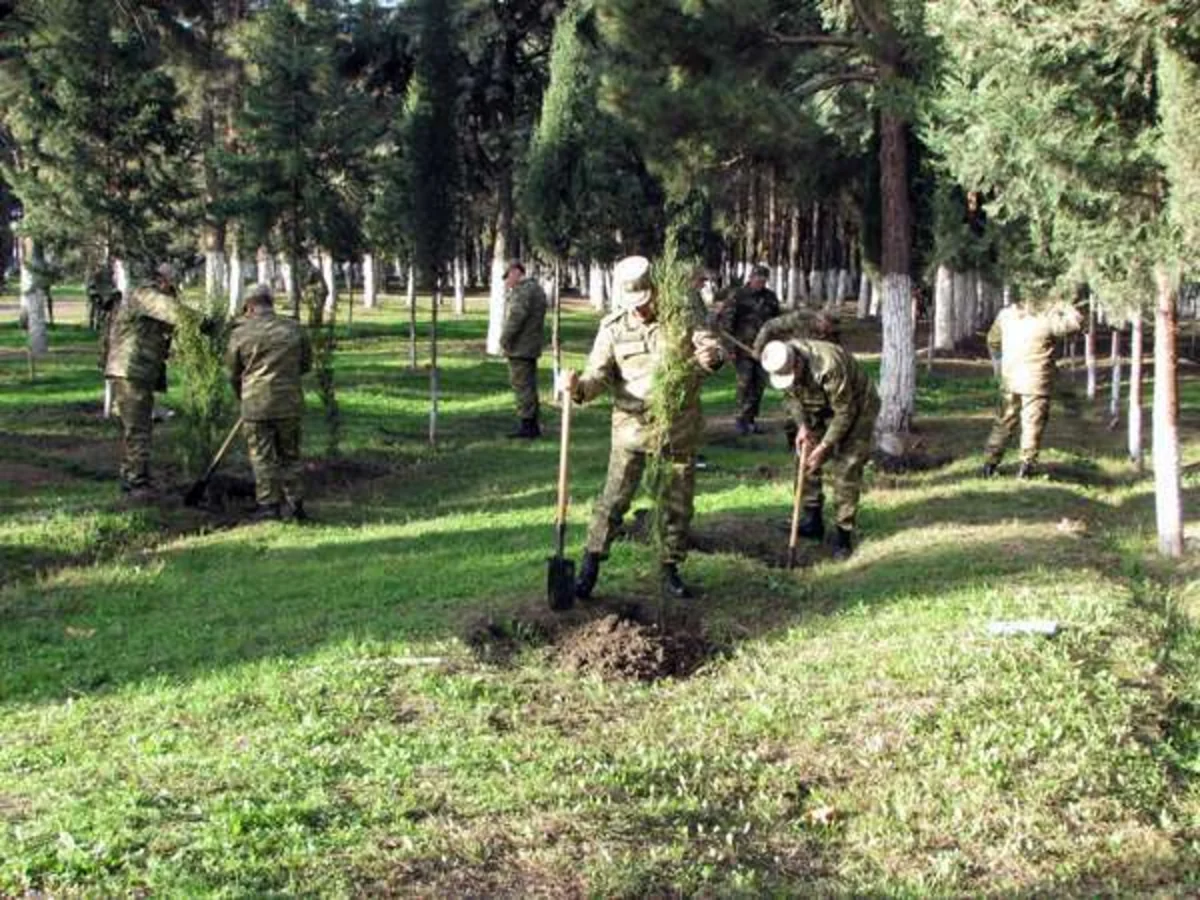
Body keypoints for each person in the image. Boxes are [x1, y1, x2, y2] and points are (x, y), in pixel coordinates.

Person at [561, 255, 724, 600]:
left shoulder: (682, 318)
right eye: (633, 302)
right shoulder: (613, 328)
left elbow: (710, 351)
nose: (640, 308)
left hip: (678, 426)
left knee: (677, 504)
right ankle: (590, 566)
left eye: (645, 300)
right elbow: (597, 376)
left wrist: (711, 359)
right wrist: (577, 388)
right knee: (613, 501)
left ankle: (670, 567)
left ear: (656, 290)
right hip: (631, 429)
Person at [760, 338, 880, 560]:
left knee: (846, 467)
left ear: (797, 363)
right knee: (805, 458)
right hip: (815, 404)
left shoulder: (828, 365)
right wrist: (803, 427)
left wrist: (825, 445)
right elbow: (791, 398)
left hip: (857, 406)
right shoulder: (780, 359)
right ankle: (812, 520)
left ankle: (843, 536)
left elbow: (845, 413)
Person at [226, 284, 314, 522]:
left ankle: (269, 506)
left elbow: (233, 373)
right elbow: (305, 365)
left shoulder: (240, 333)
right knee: (290, 455)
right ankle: (295, 505)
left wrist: (241, 396)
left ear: (249, 306)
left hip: (256, 404)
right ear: (270, 302)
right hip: (289, 402)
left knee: (262, 457)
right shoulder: (294, 329)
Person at [103, 262, 184, 498]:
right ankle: (137, 482)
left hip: (137, 371)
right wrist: (203, 322)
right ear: (162, 281)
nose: (172, 292)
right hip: (131, 371)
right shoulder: (145, 295)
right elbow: (174, 313)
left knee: (137, 427)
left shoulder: (148, 297)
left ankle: (132, 475)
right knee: (138, 428)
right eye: (171, 286)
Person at [981, 298, 1083, 478]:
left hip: (1010, 378)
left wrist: (999, 365)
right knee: (1032, 424)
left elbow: (993, 341)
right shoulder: (1048, 318)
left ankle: (990, 464)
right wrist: (1062, 303)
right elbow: (1076, 323)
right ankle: (1026, 466)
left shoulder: (1007, 314)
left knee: (1003, 422)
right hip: (1037, 381)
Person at [752, 308, 843, 448]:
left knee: (817, 409)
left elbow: (834, 353)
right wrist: (758, 348)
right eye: (826, 326)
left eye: (831, 329)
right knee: (793, 408)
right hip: (791, 364)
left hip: (814, 371)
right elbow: (769, 326)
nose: (826, 331)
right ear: (820, 319)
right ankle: (794, 443)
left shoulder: (833, 334)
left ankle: (815, 443)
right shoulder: (800, 319)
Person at [716, 264, 781, 434]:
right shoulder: (738, 296)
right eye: (757, 279)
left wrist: (777, 344)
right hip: (742, 348)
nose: (760, 283)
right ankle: (740, 419)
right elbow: (726, 324)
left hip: (764, 350)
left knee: (759, 385)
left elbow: (777, 322)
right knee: (745, 384)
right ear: (751, 278)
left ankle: (751, 420)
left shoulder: (770, 297)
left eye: (763, 280)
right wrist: (729, 348)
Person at [499, 260, 548, 439]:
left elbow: (516, 317)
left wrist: (504, 339)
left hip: (520, 346)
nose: (506, 281)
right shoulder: (536, 288)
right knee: (529, 386)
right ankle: (532, 424)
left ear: (515, 272)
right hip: (531, 345)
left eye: (507, 276)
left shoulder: (523, 291)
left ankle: (527, 427)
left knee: (522, 386)